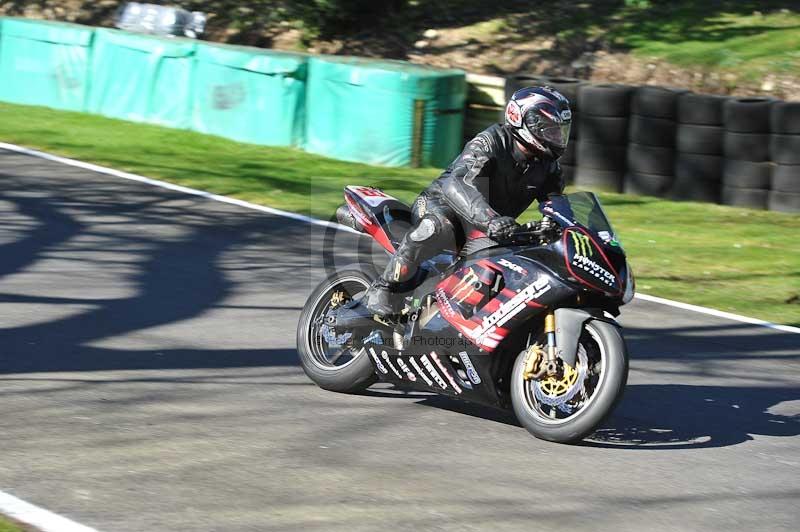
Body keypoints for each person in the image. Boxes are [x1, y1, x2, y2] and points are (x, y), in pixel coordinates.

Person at [363, 85, 572, 316]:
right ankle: (383, 287)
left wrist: (561, 228)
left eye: (558, 130)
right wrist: (490, 219)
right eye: (548, 128)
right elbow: (458, 183)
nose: (555, 136)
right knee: (437, 227)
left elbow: (556, 205)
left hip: (490, 227)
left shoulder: (549, 167)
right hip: (440, 204)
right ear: (521, 118)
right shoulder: (490, 141)